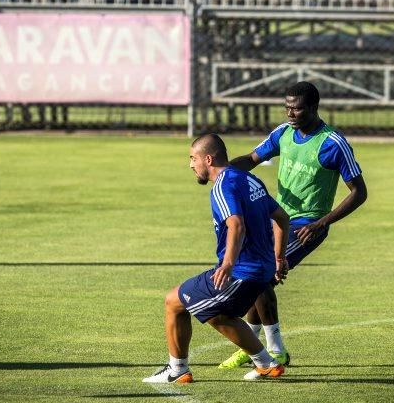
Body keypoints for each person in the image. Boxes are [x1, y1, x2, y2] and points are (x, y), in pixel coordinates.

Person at [218, 81, 368, 369]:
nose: (290, 113)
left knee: (260, 276)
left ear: (313, 107)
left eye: (296, 108)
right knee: (254, 277)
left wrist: (321, 224)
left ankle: (275, 351)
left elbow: (359, 193)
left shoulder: (332, 144)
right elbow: (252, 159)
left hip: (306, 224)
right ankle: (252, 347)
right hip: (275, 220)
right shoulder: (283, 133)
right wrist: (223, 171)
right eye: (287, 107)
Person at [143, 134, 291, 383]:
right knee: (214, 312)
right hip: (260, 271)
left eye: (193, 158)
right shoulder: (250, 179)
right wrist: (279, 259)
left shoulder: (222, 185)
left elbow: (236, 224)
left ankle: (177, 370)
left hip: (240, 272)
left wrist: (228, 264)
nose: (191, 165)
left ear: (208, 159)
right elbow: (283, 218)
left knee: (173, 301)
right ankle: (266, 364)